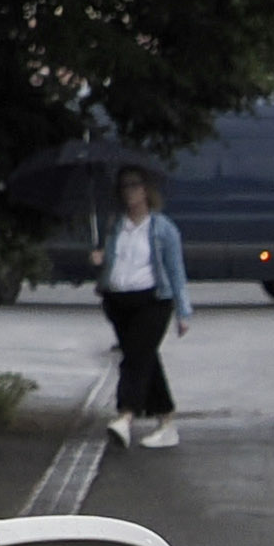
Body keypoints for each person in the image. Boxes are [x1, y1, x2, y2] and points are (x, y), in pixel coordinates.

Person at [98, 166, 185, 450]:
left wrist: (183, 312)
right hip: (119, 300)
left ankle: (125, 416)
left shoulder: (162, 228)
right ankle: (167, 422)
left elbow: (175, 271)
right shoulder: (114, 226)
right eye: (125, 187)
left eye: (135, 185)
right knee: (146, 358)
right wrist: (100, 258)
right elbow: (112, 261)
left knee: (134, 358)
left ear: (147, 190)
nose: (130, 192)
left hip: (153, 300)